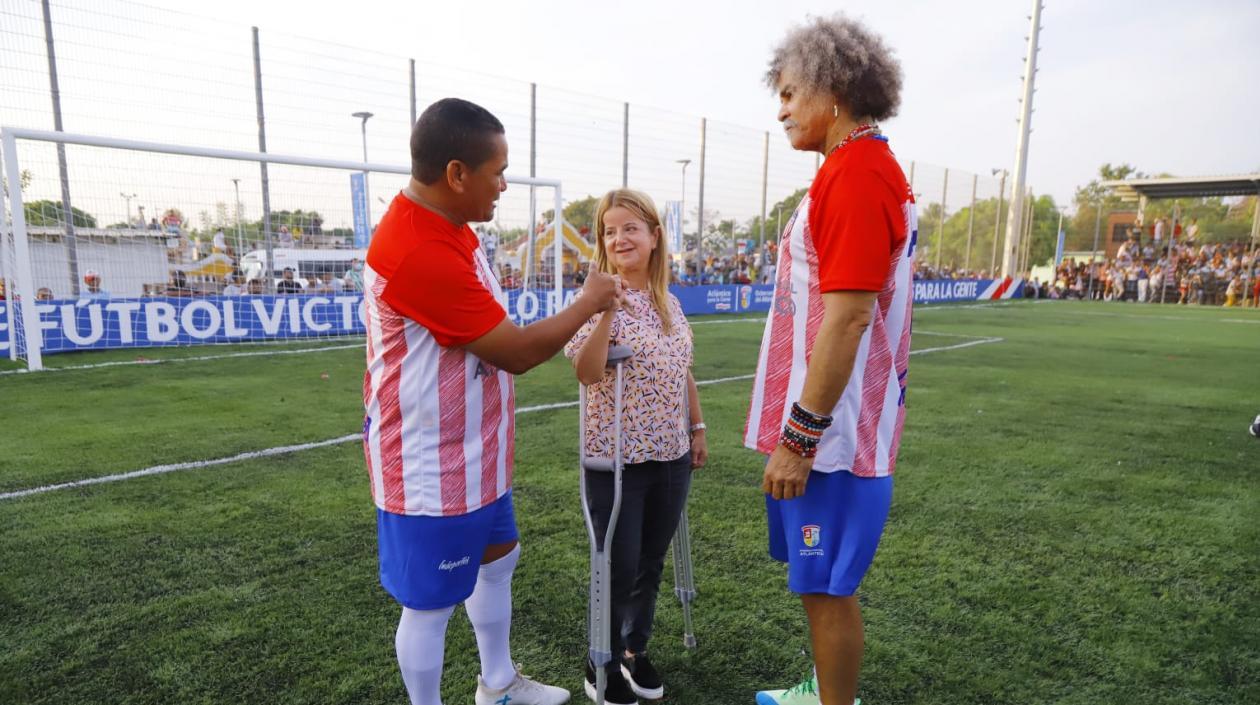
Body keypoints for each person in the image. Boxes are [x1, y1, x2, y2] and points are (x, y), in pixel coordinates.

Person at [362, 97, 623, 705]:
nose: (504, 185)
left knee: (498, 559)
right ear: (456, 174)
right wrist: (587, 302)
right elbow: (517, 352)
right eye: (497, 172)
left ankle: (498, 685)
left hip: (475, 448)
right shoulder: (419, 248)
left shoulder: (451, 228)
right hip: (428, 464)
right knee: (430, 604)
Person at [747, 15, 914, 705]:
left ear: (834, 88)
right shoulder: (854, 168)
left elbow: (847, 318)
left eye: (791, 92)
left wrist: (800, 437)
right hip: (834, 426)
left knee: (826, 588)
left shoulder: (856, 175)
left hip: (835, 436)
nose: (781, 108)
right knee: (816, 582)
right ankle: (821, 690)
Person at [565, 189, 708, 705]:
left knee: (650, 563)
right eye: (609, 231)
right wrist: (605, 311)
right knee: (618, 566)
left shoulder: (669, 302)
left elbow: (682, 369)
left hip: (670, 455)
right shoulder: (594, 299)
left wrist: (697, 427)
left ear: (654, 236)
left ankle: (633, 649)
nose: (619, 238)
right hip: (617, 461)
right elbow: (586, 371)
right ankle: (599, 659)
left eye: (630, 228)